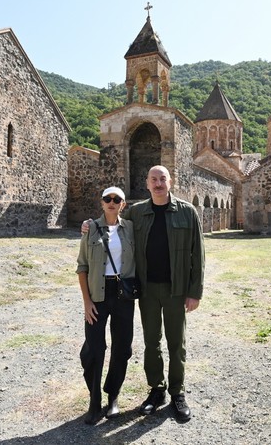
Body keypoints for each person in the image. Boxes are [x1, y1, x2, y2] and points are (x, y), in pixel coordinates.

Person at [82, 165, 204, 422]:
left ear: (170, 182)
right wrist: (89, 225)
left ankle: (177, 394)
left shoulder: (188, 212)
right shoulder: (137, 212)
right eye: (153, 179)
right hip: (146, 288)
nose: (158, 183)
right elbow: (112, 220)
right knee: (151, 342)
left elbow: (198, 254)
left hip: (176, 289)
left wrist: (195, 292)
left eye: (162, 179)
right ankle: (156, 390)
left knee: (176, 343)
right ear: (147, 184)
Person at [76, 186, 137, 425]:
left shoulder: (131, 229)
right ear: (101, 203)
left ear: (123, 204)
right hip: (97, 295)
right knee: (93, 348)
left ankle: (113, 396)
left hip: (123, 295)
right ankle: (94, 400)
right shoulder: (90, 228)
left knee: (122, 348)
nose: (111, 202)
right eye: (107, 199)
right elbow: (82, 266)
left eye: (117, 199)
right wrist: (86, 301)